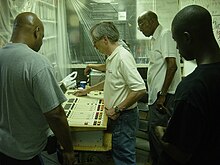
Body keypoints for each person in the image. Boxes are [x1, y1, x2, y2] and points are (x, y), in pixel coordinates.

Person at [0, 12, 75, 165]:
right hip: (26, 154)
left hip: (3, 147)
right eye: (42, 37)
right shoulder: (36, 62)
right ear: (37, 32)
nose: (41, 42)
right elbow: (55, 114)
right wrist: (68, 149)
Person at [154, 4, 220, 165]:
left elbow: (181, 152)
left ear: (187, 38)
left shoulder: (192, 87)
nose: (176, 47)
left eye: (176, 41)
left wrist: (160, 133)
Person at [74, 21, 146, 165]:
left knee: (124, 158)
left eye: (95, 41)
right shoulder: (113, 57)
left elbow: (139, 89)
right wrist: (88, 90)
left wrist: (118, 108)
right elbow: (110, 80)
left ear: (105, 39)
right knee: (119, 155)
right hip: (118, 117)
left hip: (123, 117)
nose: (94, 46)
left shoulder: (122, 57)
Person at [137, 11, 182, 165]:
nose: (139, 28)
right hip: (157, 96)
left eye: (141, 24)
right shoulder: (155, 39)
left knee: (159, 136)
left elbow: (172, 65)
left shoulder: (165, 34)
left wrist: (162, 95)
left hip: (164, 97)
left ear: (151, 21)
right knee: (153, 134)